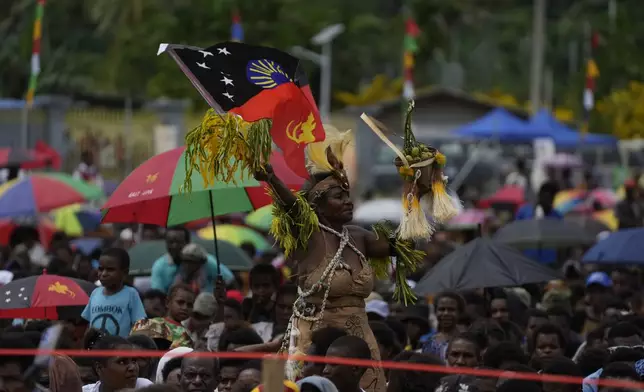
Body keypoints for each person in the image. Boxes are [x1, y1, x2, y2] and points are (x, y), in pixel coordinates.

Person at [253, 130, 428, 392]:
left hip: (357, 341)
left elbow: (405, 245)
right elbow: (293, 207)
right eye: (339, 197)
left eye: (348, 196)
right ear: (318, 207)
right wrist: (271, 178)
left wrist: (414, 190)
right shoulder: (308, 234)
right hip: (311, 340)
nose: (348, 202)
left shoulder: (360, 236)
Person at [81, 248, 146, 337]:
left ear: (124, 273)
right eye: (101, 269)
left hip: (120, 349)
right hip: (96, 349)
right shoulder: (95, 293)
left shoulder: (131, 294)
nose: (103, 273)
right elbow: (89, 324)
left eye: (110, 269)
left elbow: (140, 324)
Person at [150, 228, 233, 294]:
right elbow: (157, 294)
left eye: (178, 242)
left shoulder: (205, 259)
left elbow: (229, 280)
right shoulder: (159, 266)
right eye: (170, 242)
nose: (174, 246)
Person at [82, 329, 153, 392]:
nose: (132, 367)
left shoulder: (146, 388)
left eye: (134, 361)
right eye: (122, 362)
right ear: (99, 368)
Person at [131, 283, 194, 349]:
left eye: (189, 305)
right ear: (167, 302)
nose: (185, 308)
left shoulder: (187, 334)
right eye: (180, 302)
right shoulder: (147, 324)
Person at [422, 292, 464, 360]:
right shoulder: (429, 342)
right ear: (435, 312)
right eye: (442, 309)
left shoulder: (467, 339)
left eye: (451, 309)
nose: (446, 313)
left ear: (460, 312)